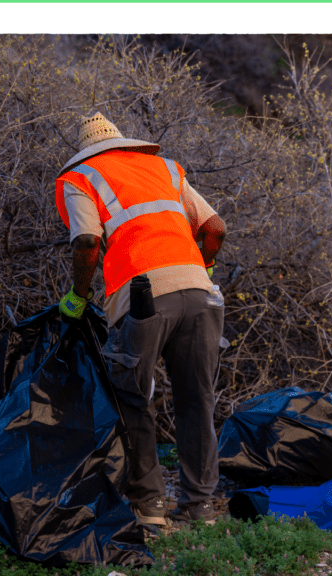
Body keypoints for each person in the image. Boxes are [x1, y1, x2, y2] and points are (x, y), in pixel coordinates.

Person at [54, 112, 227, 531]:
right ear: (124, 143)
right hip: (202, 294)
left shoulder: (82, 177)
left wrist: (79, 295)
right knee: (197, 400)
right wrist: (198, 268)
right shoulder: (163, 168)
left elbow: (87, 240)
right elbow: (216, 227)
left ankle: (150, 509)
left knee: (133, 400)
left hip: (142, 297)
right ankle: (200, 508)